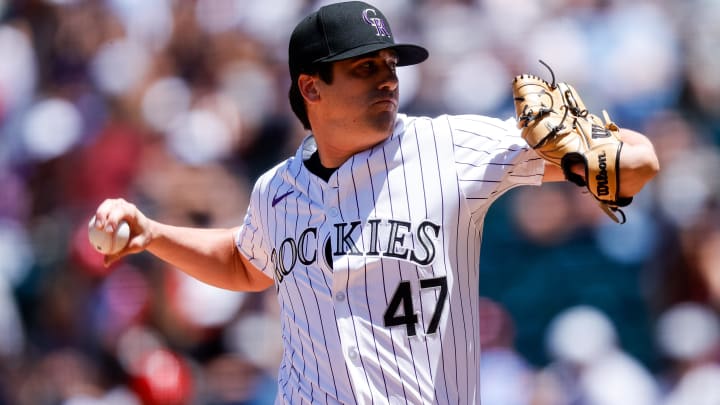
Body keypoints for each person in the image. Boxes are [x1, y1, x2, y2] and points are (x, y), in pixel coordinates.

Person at [91, 1, 660, 403]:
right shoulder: (276, 190)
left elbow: (638, 163)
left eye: (391, 66)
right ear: (312, 87)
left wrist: (595, 151)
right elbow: (246, 262)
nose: (388, 79)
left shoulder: (449, 146)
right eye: (365, 68)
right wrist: (152, 234)